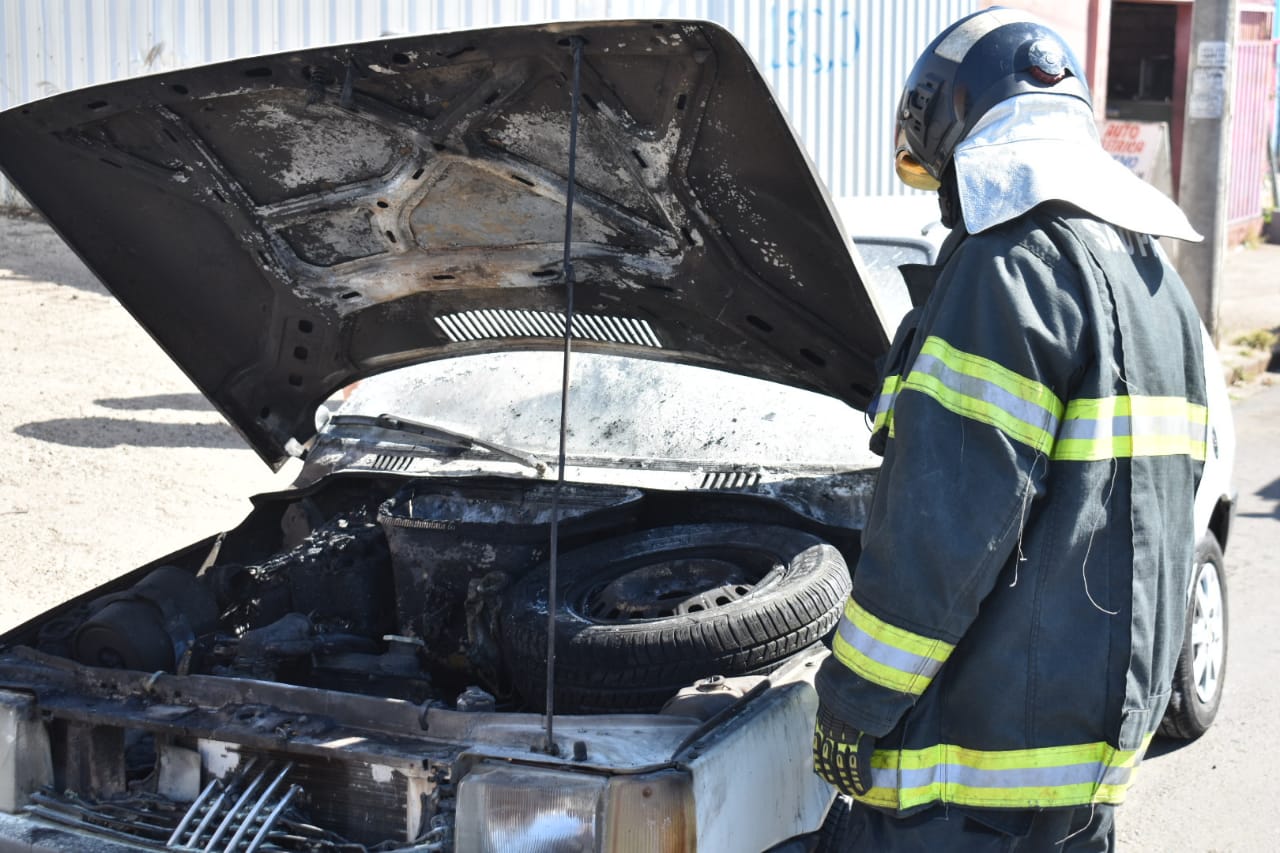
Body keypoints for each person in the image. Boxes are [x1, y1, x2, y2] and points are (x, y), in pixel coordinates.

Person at [811, 8, 1208, 851]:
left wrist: (851, 703)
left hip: (962, 795)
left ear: (958, 123)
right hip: (1078, 788)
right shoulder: (1154, 283)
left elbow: (941, 539)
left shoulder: (1007, 269)